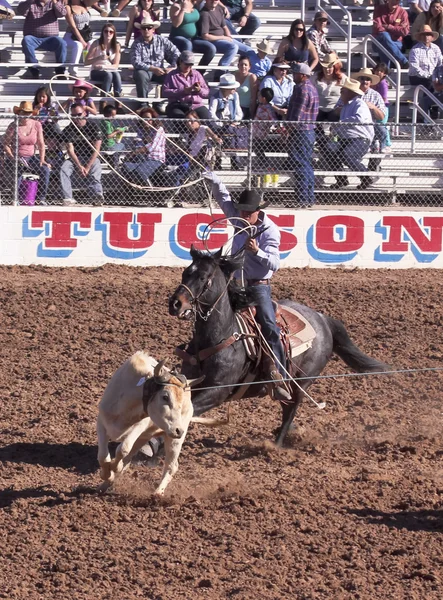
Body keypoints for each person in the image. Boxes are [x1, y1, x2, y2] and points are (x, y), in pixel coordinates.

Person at [202, 172, 292, 402]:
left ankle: (278, 377)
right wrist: (215, 180)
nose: (242, 214)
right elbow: (224, 199)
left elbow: (275, 263)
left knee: (270, 327)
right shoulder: (240, 219)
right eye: (241, 210)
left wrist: (257, 252)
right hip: (234, 281)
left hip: (257, 285)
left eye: (247, 212)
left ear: (258, 212)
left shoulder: (271, 231)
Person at [321, 78, 374, 190]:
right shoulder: (345, 107)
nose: (340, 93)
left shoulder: (359, 104)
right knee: (328, 150)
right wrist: (335, 131)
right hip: (344, 138)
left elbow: (359, 119)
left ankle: (366, 177)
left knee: (347, 155)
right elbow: (343, 126)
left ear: (351, 93)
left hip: (360, 138)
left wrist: (341, 123)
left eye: (343, 91)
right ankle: (341, 179)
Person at [4, 100, 52, 205]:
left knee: (45, 170)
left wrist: (42, 159)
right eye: (23, 112)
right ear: (19, 113)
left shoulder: (36, 124)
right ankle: (15, 198)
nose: (26, 115)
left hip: (31, 157)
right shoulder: (13, 126)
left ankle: (41, 198)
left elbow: (41, 144)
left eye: (28, 113)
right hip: (17, 157)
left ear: (31, 114)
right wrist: (12, 157)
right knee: (18, 170)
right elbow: (6, 144)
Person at [287, 63, 319, 207]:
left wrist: (288, 129)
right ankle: (309, 197)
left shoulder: (301, 89)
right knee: (306, 164)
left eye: (296, 73)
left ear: (303, 75)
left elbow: (297, 114)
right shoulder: (312, 88)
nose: (294, 75)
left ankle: (302, 198)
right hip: (309, 130)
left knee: (300, 164)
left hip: (299, 131)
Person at [60, 103, 104, 206]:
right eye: (74, 115)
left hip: (90, 157)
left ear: (84, 113)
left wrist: (87, 166)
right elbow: (70, 150)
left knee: (96, 166)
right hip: (76, 158)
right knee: (64, 168)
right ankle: (68, 198)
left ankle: (97, 195)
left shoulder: (93, 127)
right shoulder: (68, 129)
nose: (77, 118)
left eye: (79, 114)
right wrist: (79, 166)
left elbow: (96, 149)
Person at [131, 15, 180, 102]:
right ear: (141, 30)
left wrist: (172, 66)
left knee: (172, 75)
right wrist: (152, 68)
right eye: (144, 28)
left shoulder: (162, 40)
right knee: (140, 75)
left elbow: (176, 53)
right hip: (145, 70)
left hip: (159, 70)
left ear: (153, 29)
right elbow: (135, 62)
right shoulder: (136, 43)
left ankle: (162, 103)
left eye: (149, 28)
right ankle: (143, 104)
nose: (146, 30)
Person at [17, 0, 67, 79]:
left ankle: (60, 70)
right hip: (33, 38)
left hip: (51, 39)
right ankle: (34, 69)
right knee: (26, 40)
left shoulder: (53, 3)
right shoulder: (31, 3)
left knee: (61, 42)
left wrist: (55, 2)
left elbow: (62, 13)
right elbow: (21, 11)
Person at [198, 0, 250, 69]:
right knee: (233, 47)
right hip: (213, 40)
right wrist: (223, 37)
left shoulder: (219, 9)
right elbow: (205, 36)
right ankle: (220, 72)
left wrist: (228, 36)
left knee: (249, 51)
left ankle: (244, 73)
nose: (214, 1)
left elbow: (224, 26)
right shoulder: (204, 14)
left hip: (223, 39)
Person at [122, 107, 166, 183]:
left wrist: (134, 152)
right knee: (125, 167)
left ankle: (148, 191)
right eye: (144, 118)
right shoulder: (141, 130)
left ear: (153, 119)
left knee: (139, 173)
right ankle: (133, 192)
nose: (146, 121)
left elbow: (152, 147)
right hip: (141, 158)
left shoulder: (159, 129)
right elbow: (138, 144)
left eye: (148, 118)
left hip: (155, 159)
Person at [162, 50, 211, 119]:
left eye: (191, 64)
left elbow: (206, 92)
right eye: (186, 64)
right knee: (180, 117)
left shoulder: (197, 74)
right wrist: (183, 91)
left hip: (196, 105)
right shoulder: (171, 75)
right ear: (180, 62)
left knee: (207, 118)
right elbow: (165, 92)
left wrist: (199, 90)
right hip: (177, 105)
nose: (188, 67)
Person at [169, 0, 216, 66]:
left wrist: (223, 7)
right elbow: (176, 24)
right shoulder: (176, 6)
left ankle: (199, 72)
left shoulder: (194, 3)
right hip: (177, 38)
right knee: (187, 44)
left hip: (193, 38)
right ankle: (183, 69)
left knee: (211, 48)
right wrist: (182, 9)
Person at [85, 22, 122, 97]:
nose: (108, 33)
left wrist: (103, 67)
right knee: (109, 75)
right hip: (96, 71)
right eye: (106, 31)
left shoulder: (117, 45)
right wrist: (98, 58)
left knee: (116, 74)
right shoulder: (96, 43)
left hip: (107, 69)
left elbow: (116, 65)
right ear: (102, 33)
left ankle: (118, 95)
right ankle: (105, 95)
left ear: (114, 34)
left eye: (111, 32)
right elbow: (86, 62)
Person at [372, 0, 409, 68]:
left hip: (395, 43)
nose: (395, 2)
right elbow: (378, 28)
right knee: (384, 35)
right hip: (379, 41)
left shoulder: (403, 12)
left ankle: (385, 73)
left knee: (385, 45)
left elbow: (405, 31)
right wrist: (396, 30)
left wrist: (389, 27)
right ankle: (403, 61)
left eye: (397, 0)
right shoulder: (379, 9)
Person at [253, 87, 279, 170]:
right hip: (256, 131)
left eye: (259, 96)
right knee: (255, 147)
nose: (258, 97)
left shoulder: (268, 108)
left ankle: (264, 162)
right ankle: (261, 162)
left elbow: (273, 119)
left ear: (263, 98)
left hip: (262, 133)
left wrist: (272, 127)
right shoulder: (260, 106)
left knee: (258, 148)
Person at [409, 24, 443, 89]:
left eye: (428, 34)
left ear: (432, 37)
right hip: (416, 77)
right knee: (429, 83)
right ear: (421, 37)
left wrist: (437, 76)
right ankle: (428, 99)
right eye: (424, 35)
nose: (426, 37)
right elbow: (415, 68)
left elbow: (440, 63)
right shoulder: (415, 50)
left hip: (433, 76)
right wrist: (430, 76)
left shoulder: (436, 48)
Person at [64, 0, 91, 77]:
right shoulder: (68, 7)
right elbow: (73, 27)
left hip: (85, 34)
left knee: (93, 43)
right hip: (70, 36)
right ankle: (73, 71)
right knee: (78, 45)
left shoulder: (85, 4)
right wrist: (82, 40)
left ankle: (91, 68)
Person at [372, 62, 392, 150]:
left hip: (383, 107)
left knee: (382, 126)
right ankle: (378, 144)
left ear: (385, 73)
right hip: (377, 108)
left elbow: (383, 98)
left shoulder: (383, 83)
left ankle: (387, 144)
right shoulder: (375, 82)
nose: (379, 72)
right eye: (377, 70)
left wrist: (378, 106)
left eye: (381, 71)